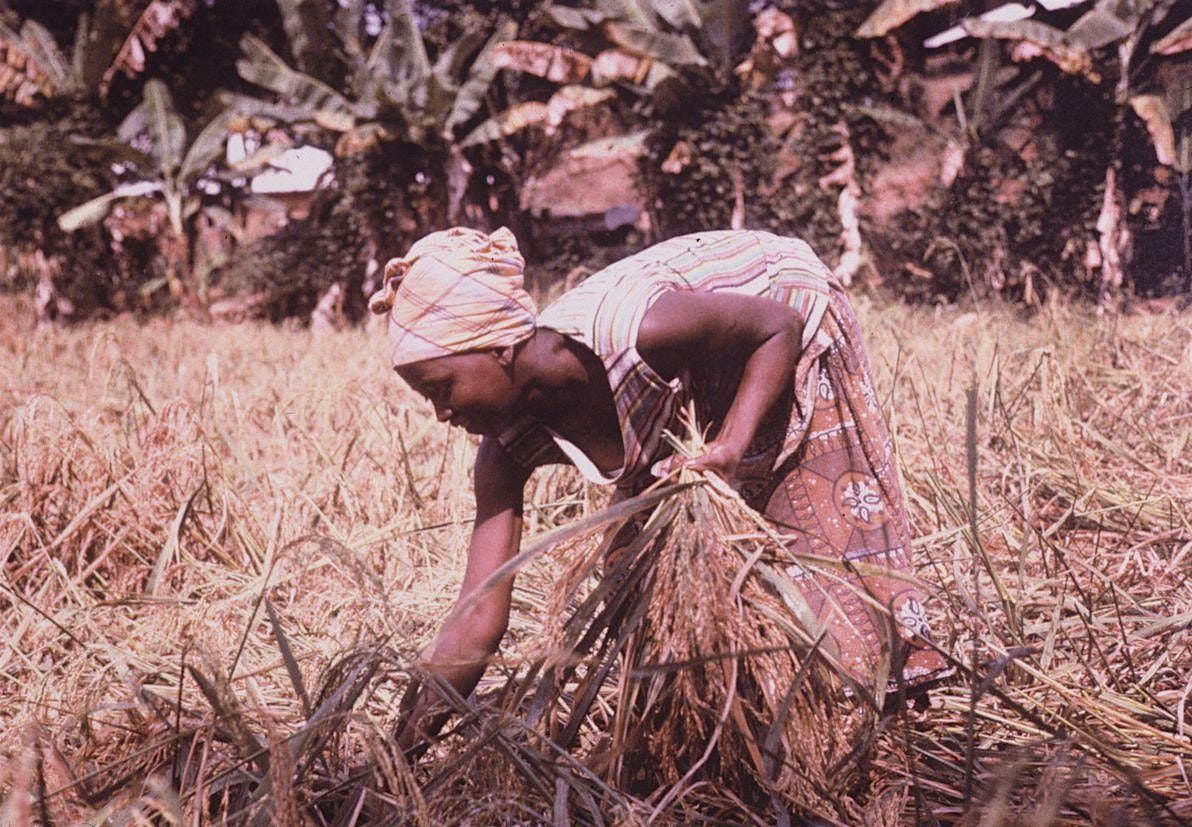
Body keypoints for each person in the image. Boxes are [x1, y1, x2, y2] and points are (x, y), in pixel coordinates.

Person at [368, 226, 948, 752]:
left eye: (443, 387)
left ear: (499, 348)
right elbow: (478, 616)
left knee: (816, 533)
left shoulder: (632, 333)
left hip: (779, 311)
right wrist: (404, 751)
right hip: (696, 372)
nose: (441, 412)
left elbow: (778, 329)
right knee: (643, 564)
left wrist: (731, 444)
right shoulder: (504, 451)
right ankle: (723, 731)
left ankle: (879, 739)